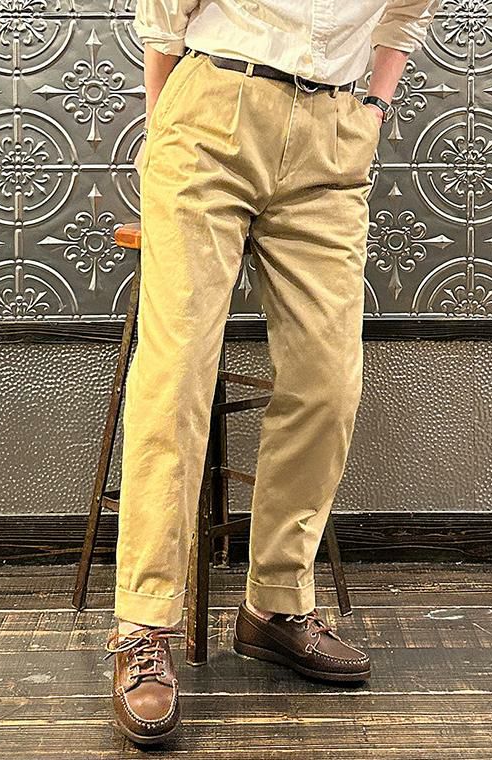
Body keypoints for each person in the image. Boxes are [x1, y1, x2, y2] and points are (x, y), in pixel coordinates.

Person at [103, 0, 438, 745]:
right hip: (212, 112)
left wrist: (374, 108)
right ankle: (144, 626)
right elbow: (164, 16)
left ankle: (276, 605)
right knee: (176, 373)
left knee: (328, 381)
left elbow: (405, 15)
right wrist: (166, 131)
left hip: (332, 137)